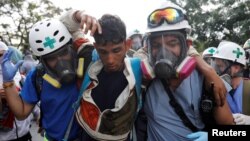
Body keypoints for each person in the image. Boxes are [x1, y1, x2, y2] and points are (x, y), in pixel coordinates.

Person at [135, 1, 234, 141]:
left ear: (186, 45)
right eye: (156, 45)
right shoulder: (144, 79)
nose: (164, 52)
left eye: (172, 43)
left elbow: (232, 130)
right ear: (148, 48)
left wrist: (211, 136)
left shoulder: (205, 79)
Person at [1, 10, 101, 141]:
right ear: (43, 61)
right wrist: (8, 83)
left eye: (64, 52)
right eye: (52, 58)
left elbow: (68, 21)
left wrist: (80, 15)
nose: (60, 61)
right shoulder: (38, 76)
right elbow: (21, 112)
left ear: (72, 47)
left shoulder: (89, 64)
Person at [0, 41, 39, 141]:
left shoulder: (18, 76)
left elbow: (30, 97)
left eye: (2, 54)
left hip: (24, 133)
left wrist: (38, 114)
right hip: (4, 136)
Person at [211, 41, 250, 125]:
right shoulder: (215, 90)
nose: (216, 71)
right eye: (215, 66)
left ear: (236, 68)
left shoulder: (248, 88)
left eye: (220, 67)